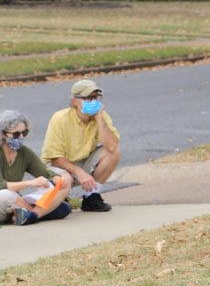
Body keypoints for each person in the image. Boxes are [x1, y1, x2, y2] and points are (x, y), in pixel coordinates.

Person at [41, 79, 121, 211]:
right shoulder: (60, 118)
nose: (93, 101)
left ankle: (92, 197)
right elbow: (54, 158)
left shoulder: (101, 115)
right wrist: (79, 172)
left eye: (96, 98)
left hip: (82, 163)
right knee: (64, 184)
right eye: (88, 98)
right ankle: (60, 198)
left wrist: (99, 119)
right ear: (74, 101)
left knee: (113, 152)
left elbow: (112, 147)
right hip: (58, 167)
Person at [0, 110, 73, 226]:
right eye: (16, 134)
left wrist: (56, 179)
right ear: (3, 134)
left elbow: (44, 172)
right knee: (5, 194)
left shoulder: (24, 152)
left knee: (64, 183)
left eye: (24, 132)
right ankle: (37, 213)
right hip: (5, 200)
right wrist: (31, 183)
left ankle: (31, 215)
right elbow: (2, 185)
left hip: (15, 201)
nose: (21, 137)